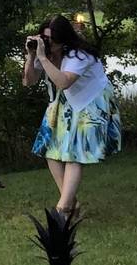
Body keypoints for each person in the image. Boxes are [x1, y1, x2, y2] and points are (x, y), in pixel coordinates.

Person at [25, 15, 122, 218]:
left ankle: (63, 209)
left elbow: (63, 82)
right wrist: (31, 56)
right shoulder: (48, 53)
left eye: (51, 39)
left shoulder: (79, 55)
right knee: (50, 150)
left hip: (92, 102)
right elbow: (29, 81)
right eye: (45, 37)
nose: (48, 42)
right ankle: (71, 202)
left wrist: (43, 58)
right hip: (67, 102)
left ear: (63, 39)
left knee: (76, 153)